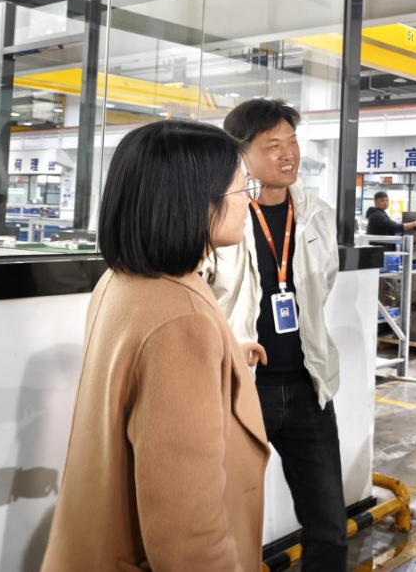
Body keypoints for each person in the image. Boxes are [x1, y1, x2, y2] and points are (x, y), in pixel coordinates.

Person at [42, 120, 269, 572]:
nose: (251, 202)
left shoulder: (122, 281)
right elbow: (189, 534)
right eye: (244, 188)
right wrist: (199, 349)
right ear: (197, 202)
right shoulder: (180, 320)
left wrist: (223, 355)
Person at [202, 98, 348, 571]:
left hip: (309, 386)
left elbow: (323, 284)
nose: (289, 154)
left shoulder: (316, 214)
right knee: (230, 520)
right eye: (273, 145)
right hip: (243, 388)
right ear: (240, 153)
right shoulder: (220, 217)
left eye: (293, 142)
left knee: (329, 523)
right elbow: (201, 295)